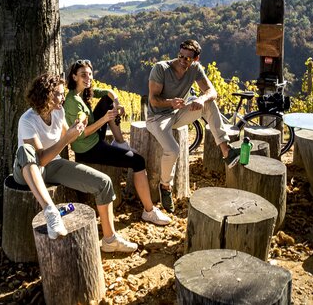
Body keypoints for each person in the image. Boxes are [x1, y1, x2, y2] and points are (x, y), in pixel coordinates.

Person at [13, 73, 138, 253]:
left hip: (53, 165)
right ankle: (51, 212)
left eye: (63, 93)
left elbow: (69, 135)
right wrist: (66, 139)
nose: (63, 98)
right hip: (27, 171)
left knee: (104, 183)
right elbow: (40, 159)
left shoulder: (58, 111)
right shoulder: (27, 120)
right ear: (45, 93)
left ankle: (110, 239)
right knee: (25, 151)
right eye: (58, 94)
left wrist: (78, 128)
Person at [63, 59, 171, 225]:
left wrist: (117, 103)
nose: (88, 78)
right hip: (88, 149)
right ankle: (149, 211)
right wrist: (105, 118)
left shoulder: (83, 91)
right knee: (138, 161)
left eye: (90, 74)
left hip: (94, 137)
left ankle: (120, 143)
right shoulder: (72, 102)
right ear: (74, 76)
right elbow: (81, 134)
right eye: (83, 75)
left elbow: (107, 91)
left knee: (107, 101)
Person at [146, 39, 240, 212]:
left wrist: (201, 99)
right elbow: (153, 100)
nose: (182, 60)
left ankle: (226, 151)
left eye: (187, 58)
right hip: (157, 117)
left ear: (195, 59)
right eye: (181, 56)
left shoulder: (196, 69)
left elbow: (212, 92)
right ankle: (165, 187)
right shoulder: (161, 68)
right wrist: (170, 102)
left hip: (178, 113)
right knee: (173, 150)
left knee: (209, 104)